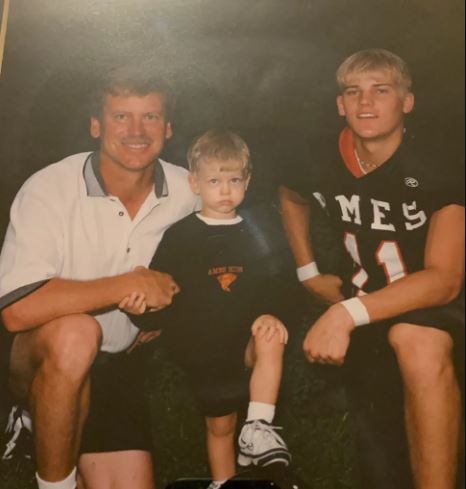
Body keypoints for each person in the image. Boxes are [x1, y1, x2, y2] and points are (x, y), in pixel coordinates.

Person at [0, 67, 199, 489]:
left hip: (117, 363)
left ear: (168, 127)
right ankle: (46, 459)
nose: (136, 130)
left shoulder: (189, 191)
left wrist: (169, 314)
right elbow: (16, 311)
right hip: (37, 351)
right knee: (76, 333)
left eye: (149, 117)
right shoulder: (49, 188)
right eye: (120, 116)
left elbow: (222, 258)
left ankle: (52, 421)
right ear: (95, 125)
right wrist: (126, 284)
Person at [279, 48, 464, 489]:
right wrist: (307, 270)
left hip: (439, 307)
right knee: (385, 466)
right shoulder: (319, 157)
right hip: (368, 309)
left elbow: (444, 279)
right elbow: (290, 193)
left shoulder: (438, 163)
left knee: (416, 341)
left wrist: (344, 314)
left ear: (407, 101)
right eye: (353, 92)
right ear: (340, 104)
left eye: (381, 91)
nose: (366, 103)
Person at [120, 129, 292, 489]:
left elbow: (279, 283)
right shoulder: (181, 236)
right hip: (202, 350)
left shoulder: (260, 232)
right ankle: (222, 481)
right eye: (215, 181)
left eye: (234, 180)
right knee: (220, 424)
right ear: (195, 183)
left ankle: (259, 426)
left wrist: (274, 312)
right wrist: (140, 312)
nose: (225, 191)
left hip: (244, 342)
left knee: (271, 335)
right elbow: (164, 295)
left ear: (248, 181)